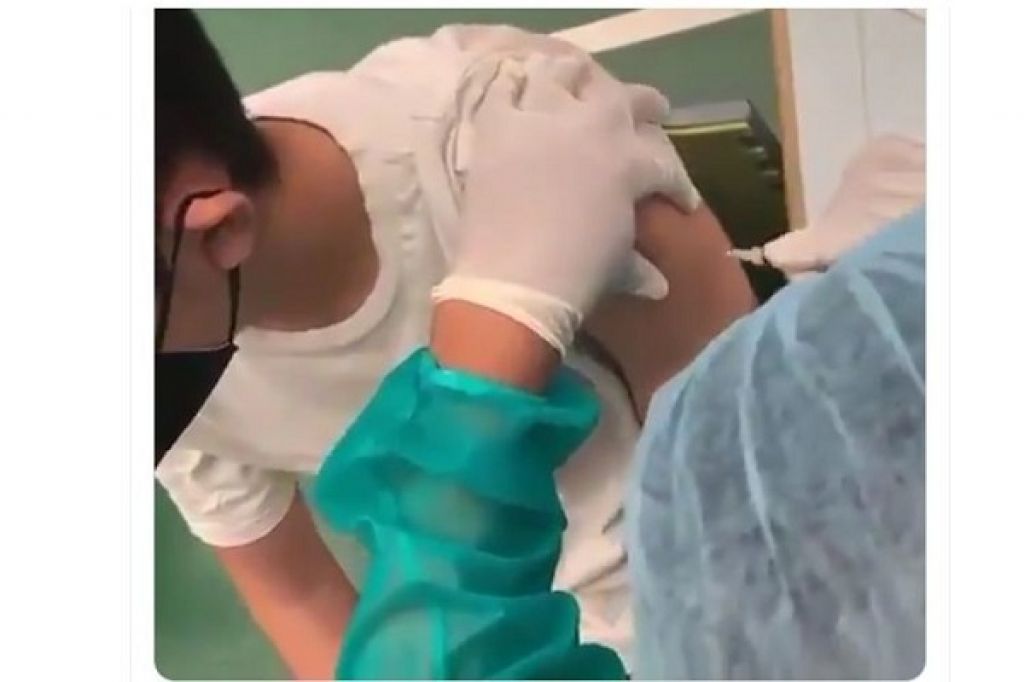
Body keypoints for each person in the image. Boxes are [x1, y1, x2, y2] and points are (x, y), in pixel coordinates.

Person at [154, 9, 754, 677]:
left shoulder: (513, 133)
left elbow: (742, 460)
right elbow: (297, 596)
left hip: (701, 593)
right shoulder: (170, 345)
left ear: (218, 232)